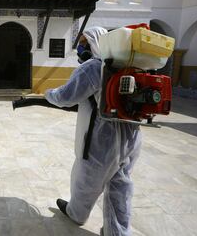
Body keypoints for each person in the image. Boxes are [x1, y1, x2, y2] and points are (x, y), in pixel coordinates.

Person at [45, 26, 142, 236]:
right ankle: (117, 232)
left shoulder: (93, 67)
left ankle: (76, 214)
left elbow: (66, 96)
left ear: (95, 42)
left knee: (86, 180)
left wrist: (48, 94)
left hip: (104, 140)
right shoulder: (127, 67)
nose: (80, 47)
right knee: (120, 186)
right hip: (131, 140)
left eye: (83, 42)